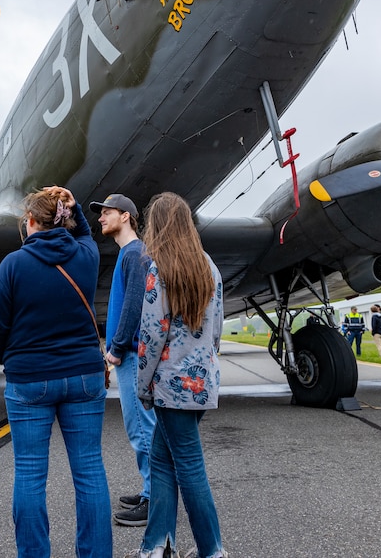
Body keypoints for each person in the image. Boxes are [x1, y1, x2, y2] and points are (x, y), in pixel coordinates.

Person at [0, 185, 112, 558]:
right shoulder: (86, 257)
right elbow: (85, 234)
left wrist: (6, 357)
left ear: (31, 222)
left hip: (29, 380)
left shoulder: (13, 265)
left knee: (29, 476)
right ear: (66, 221)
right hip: (85, 378)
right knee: (89, 471)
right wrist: (72, 208)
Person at [134, 192, 225, 558]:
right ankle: (157, 546)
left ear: (157, 226)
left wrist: (143, 386)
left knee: (189, 467)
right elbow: (216, 329)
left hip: (171, 386)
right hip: (202, 383)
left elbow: (151, 335)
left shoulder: (160, 268)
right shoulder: (210, 268)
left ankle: (212, 550)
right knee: (163, 461)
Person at [94, 193, 154, 528]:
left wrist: (115, 348)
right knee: (142, 427)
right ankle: (150, 491)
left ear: (126, 216)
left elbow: (134, 305)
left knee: (142, 429)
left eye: (107, 212)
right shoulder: (130, 253)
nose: (101, 218)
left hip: (131, 354)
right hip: (131, 353)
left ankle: (154, 499)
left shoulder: (133, 253)